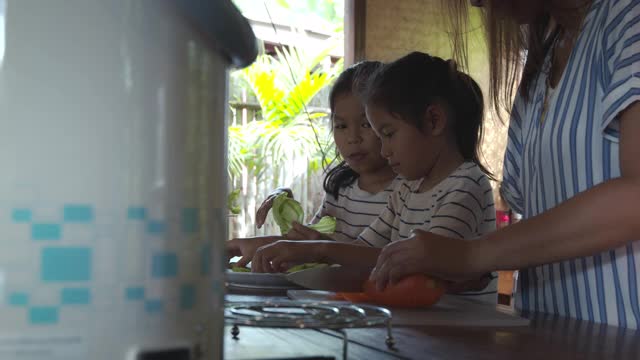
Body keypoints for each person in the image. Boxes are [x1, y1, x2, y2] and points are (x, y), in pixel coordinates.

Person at [372, 0, 640, 327]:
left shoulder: (627, 18)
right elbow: (538, 217)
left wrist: (471, 255)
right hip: (553, 332)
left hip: (624, 330)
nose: (474, 3)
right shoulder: (542, 67)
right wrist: (466, 268)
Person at [253, 52, 497, 303]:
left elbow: (424, 262)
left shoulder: (466, 185)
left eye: (389, 134)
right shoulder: (409, 188)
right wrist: (309, 252)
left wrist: (320, 249)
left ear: (433, 121)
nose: (384, 150)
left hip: (462, 332)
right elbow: (365, 249)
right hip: (420, 324)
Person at [226, 60, 399, 267]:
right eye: (341, 126)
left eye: (366, 124)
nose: (353, 137)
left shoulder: (407, 193)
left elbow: (386, 260)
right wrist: (283, 209)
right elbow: (308, 243)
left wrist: (317, 247)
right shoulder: (340, 190)